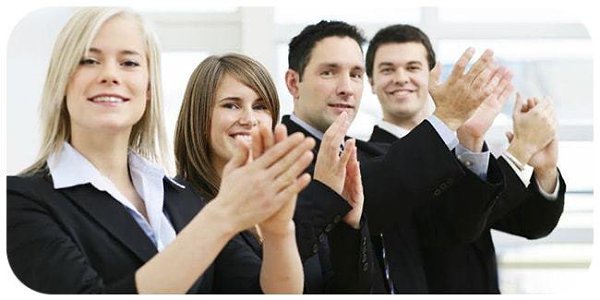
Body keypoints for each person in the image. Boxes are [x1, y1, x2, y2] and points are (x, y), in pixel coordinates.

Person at [7, 7, 313, 294]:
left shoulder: (178, 196)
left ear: (149, 87)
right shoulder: (19, 200)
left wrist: (278, 231)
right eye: (89, 60)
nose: (110, 75)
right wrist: (224, 215)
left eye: (129, 62)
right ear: (61, 81)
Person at [283, 20, 509, 293]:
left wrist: (470, 137)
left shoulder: (368, 152)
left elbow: (453, 227)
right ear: (294, 83)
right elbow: (375, 192)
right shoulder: (279, 155)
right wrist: (446, 118)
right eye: (329, 72)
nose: (346, 88)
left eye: (355, 74)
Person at [365, 24, 566, 293]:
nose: (401, 78)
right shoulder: (368, 162)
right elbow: (452, 224)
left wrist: (545, 169)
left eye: (413, 67)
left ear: (432, 75)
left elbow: (531, 224)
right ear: (371, 82)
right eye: (387, 69)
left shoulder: (464, 152)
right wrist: (519, 152)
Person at [173, 53, 373, 293]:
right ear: (199, 116)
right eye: (231, 105)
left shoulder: (288, 199)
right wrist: (323, 197)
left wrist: (347, 224)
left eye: (259, 107)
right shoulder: (181, 206)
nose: (249, 119)